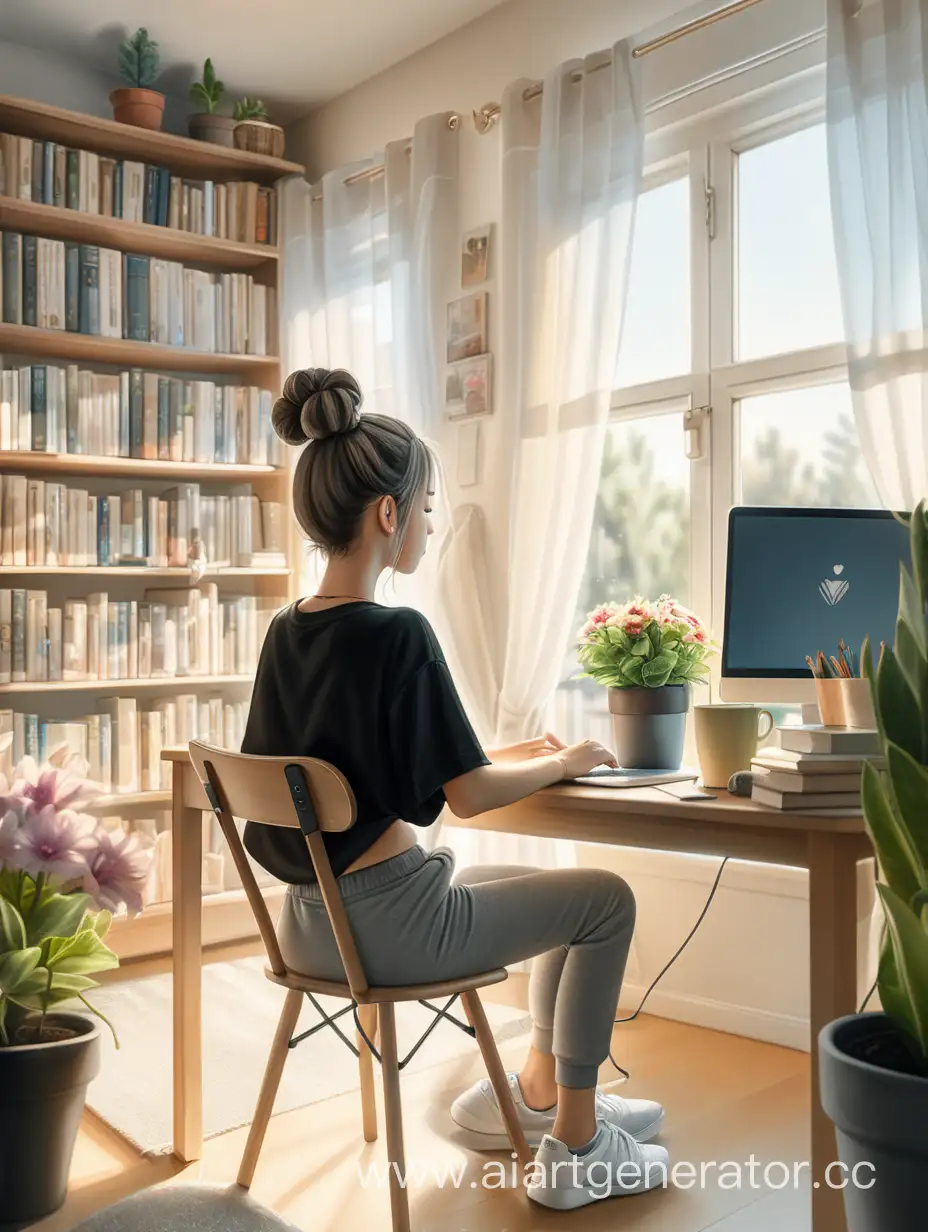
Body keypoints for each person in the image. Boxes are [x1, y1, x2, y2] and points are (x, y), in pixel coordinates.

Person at [241, 367, 669, 1210]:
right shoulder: (399, 632)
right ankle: (578, 1148)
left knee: (537, 891)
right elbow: (467, 797)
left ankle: (540, 1090)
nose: (432, 526)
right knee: (606, 902)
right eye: (427, 507)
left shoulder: (286, 634)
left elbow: (382, 765)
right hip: (394, 930)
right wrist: (562, 763)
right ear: (388, 515)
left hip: (307, 927)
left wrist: (518, 748)